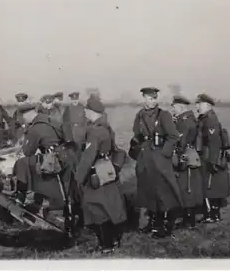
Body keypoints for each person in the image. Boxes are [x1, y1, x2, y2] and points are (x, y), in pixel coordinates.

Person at [74, 95, 126, 253]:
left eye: (86, 110)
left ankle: (106, 245)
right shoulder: (106, 128)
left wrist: (78, 177)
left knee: (97, 209)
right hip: (107, 173)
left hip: (96, 175)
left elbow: (88, 157)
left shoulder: (95, 132)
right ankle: (114, 240)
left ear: (92, 112)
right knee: (109, 207)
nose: (85, 112)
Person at [132, 87, 182, 238]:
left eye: (153, 98)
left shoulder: (163, 115)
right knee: (148, 191)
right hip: (145, 157)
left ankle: (165, 225)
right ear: (143, 99)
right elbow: (136, 134)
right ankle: (152, 222)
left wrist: (164, 153)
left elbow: (173, 136)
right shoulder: (139, 115)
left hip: (159, 158)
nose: (151, 101)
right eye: (148, 98)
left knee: (163, 192)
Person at [12, 103, 71, 217]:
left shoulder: (35, 128)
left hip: (53, 161)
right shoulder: (51, 120)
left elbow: (27, 152)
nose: (23, 119)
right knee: (37, 164)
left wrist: (26, 134)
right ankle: (37, 201)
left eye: (23, 117)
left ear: (27, 115)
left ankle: (20, 199)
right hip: (65, 157)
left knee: (22, 163)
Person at [195, 94, 230, 223]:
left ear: (207, 105)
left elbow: (214, 142)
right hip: (206, 155)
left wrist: (213, 161)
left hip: (209, 156)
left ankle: (213, 214)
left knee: (210, 186)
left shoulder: (210, 119)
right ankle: (210, 213)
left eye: (199, 104)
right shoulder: (205, 118)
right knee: (209, 185)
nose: (197, 106)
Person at [170, 95, 203, 229]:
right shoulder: (187, 119)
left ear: (180, 107)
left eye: (174, 107)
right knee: (188, 187)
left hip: (184, 156)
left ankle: (188, 221)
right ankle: (189, 219)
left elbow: (180, 141)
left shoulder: (184, 122)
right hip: (189, 155)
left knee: (187, 187)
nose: (173, 110)